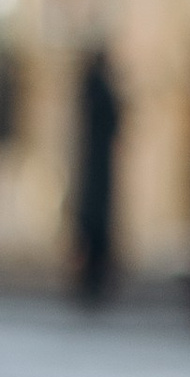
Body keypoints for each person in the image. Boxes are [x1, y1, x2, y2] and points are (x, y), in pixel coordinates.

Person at [67, 39, 123, 309]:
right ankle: (91, 278)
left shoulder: (91, 89)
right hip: (96, 169)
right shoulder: (98, 89)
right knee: (93, 223)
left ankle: (92, 278)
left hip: (95, 166)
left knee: (92, 223)